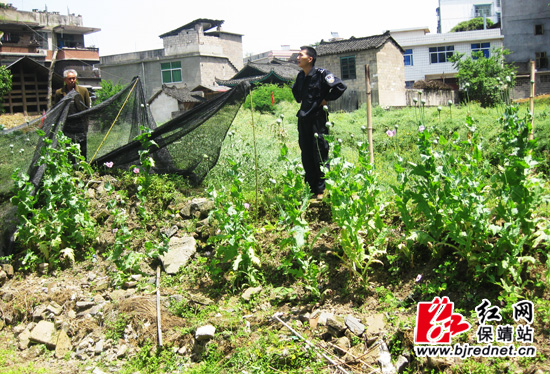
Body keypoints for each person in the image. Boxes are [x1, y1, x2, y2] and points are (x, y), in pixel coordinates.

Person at [292, 46, 347, 199]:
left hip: (318, 119)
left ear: (310, 59)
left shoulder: (322, 74)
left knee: (320, 152)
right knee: (306, 153)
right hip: (303, 119)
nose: (297, 57)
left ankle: (321, 190)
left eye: (300, 55)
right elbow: (296, 92)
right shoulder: (300, 76)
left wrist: (326, 99)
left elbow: (340, 86)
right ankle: (310, 189)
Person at [54, 69, 91, 159]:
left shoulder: (83, 90)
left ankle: (83, 166)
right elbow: (57, 108)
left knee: (82, 148)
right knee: (69, 148)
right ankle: (72, 167)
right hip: (67, 124)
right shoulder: (59, 93)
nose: (72, 81)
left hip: (80, 123)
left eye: (74, 78)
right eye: (69, 79)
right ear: (65, 80)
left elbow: (87, 106)